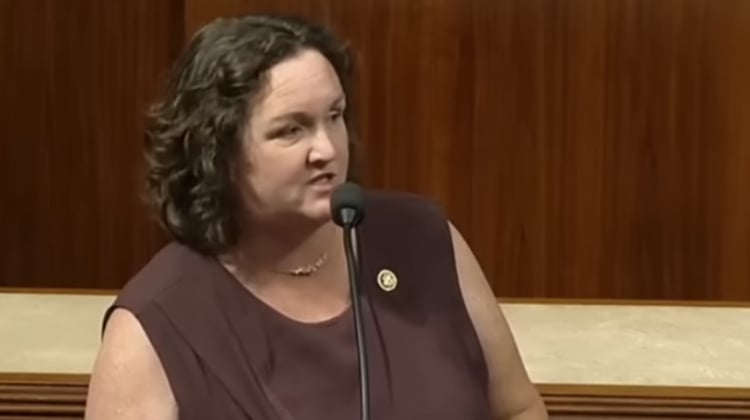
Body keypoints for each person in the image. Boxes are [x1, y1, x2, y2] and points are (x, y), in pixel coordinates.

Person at [84, 13, 548, 420]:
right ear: (217, 151)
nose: (326, 149)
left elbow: (518, 409)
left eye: (334, 116)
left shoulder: (422, 240)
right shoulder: (158, 323)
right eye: (292, 130)